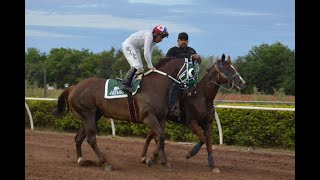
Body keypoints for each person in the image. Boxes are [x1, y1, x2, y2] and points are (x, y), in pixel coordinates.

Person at [120, 25, 169, 92]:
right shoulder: (149, 36)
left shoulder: (154, 41)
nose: (161, 40)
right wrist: (150, 66)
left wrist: (150, 65)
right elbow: (146, 53)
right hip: (128, 45)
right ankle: (124, 85)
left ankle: (132, 83)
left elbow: (149, 53)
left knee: (140, 69)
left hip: (135, 48)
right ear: (155, 34)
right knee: (136, 66)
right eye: (161, 37)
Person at [166, 32, 202, 117]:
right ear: (178, 41)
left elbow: (199, 62)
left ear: (188, 41)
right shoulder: (173, 50)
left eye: (185, 40)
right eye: (181, 40)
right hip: (176, 78)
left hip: (190, 78)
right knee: (175, 85)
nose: (183, 41)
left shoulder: (191, 50)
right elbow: (166, 63)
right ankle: (173, 107)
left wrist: (198, 57)